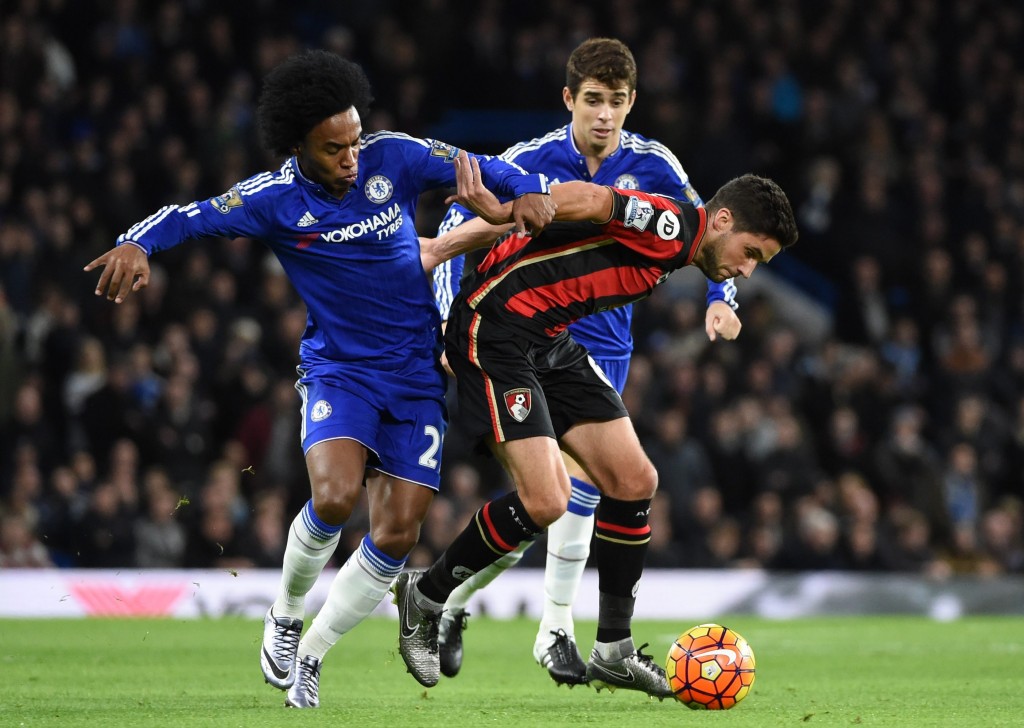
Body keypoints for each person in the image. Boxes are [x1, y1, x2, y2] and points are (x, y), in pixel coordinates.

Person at [84, 50, 555, 710]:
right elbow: (191, 215)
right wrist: (138, 242)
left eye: (355, 141)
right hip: (341, 369)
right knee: (334, 498)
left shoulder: (395, 155)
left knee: (397, 535)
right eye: (334, 148)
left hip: (416, 374)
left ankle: (312, 653)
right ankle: (284, 614)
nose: (352, 158)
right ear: (298, 146)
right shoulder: (274, 198)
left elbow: (480, 165)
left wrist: (526, 188)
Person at [399, 150, 798, 696]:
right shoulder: (671, 225)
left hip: (548, 339)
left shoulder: (680, 243)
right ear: (723, 220)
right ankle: (425, 595)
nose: (747, 270)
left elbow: (557, 226)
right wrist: (511, 208)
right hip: (496, 331)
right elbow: (591, 199)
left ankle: (613, 649)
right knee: (547, 500)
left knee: (634, 480)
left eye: (759, 263)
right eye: (750, 253)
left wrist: (494, 224)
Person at [431, 37, 741, 686]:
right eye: (593, 100)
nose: (605, 114)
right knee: (555, 493)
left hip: (603, 345)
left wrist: (722, 298)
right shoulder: (529, 159)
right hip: (522, 336)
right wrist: (442, 322)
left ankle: (462, 601)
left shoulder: (653, 163)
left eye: (617, 101)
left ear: (632, 103)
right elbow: (457, 226)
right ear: (569, 99)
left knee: (572, 493)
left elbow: (710, 231)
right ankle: (546, 629)